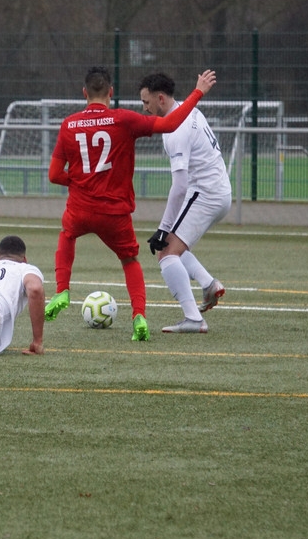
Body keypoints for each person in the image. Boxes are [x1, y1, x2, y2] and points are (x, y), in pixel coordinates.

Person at [44, 66, 217, 341]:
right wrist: (197, 93)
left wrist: (80, 181)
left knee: (67, 236)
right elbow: (170, 124)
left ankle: (62, 290)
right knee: (129, 261)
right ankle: (139, 317)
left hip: (80, 208)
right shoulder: (122, 119)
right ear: (111, 93)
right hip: (115, 212)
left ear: (84, 93)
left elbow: (54, 175)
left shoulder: (69, 124)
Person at [139, 72, 232, 333]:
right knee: (175, 246)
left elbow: (179, 186)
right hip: (218, 191)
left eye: (146, 102)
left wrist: (162, 227)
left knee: (166, 252)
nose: (145, 109)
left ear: (160, 98)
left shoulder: (175, 129)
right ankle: (208, 284)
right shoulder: (186, 110)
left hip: (205, 193)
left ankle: (194, 319)